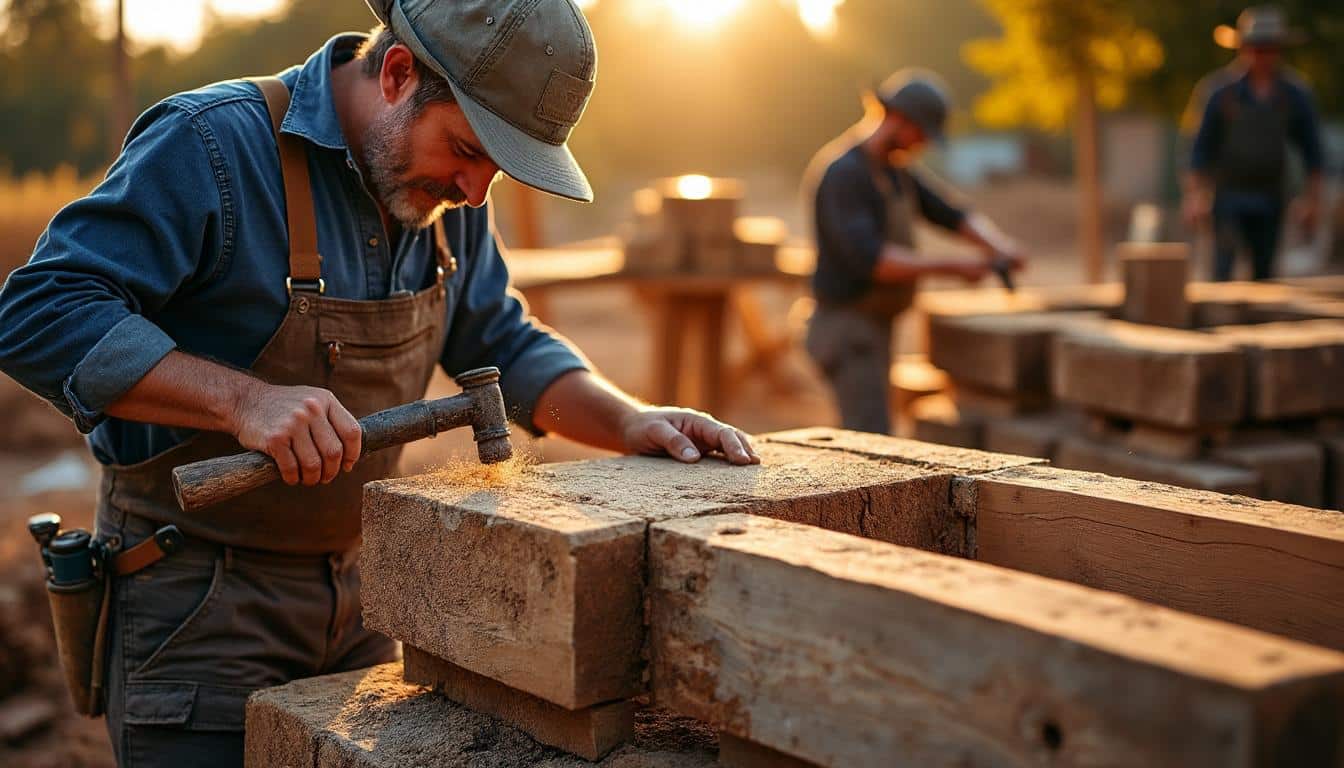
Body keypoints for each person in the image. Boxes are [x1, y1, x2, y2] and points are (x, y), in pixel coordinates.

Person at [0, 1, 759, 765]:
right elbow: (37, 313)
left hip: (370, 594)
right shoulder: (211, 146)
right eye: (466, 150)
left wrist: (628, 421)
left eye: (496, 169)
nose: (475, 194)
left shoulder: (442, 194)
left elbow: (499, 340)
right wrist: (245, 402)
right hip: (197, 601)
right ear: (398, 74)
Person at [803, 69, 1024, 435]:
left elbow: (949, 212)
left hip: (873, 326)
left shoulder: (894, 172)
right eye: (919, 133)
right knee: (869, 439)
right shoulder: (845, 174)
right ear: (898, 119)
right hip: (846, 328)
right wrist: (955, 267)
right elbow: (874, 261)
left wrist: (999, 246)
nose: (920, 143)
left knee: (871, 434)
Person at [1183, 5, 1325, 281]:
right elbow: (1199, 150)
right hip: (1227, 196)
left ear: (1278, 50)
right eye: (1255, 48)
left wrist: (1312, 200)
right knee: (1222, 271)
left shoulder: (1294, 95)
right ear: (1243, 48)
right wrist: (1195, 195)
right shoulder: (1219, 92)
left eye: (1268, 48)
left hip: (1271, 196)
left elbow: (1313, 152)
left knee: (1265, 275)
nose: (1261, 55)